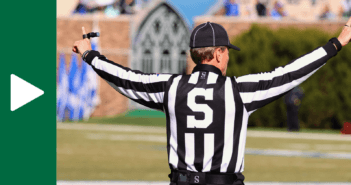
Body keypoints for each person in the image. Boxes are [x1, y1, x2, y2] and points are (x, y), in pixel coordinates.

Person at [73, 18, 351, 185]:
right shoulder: (239, 90)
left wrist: (89, 55)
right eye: (226, 52)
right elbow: (289, 73)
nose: (228, 57)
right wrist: (336, 43)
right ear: (218, 53)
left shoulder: (170, 87)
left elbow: (125, 77)